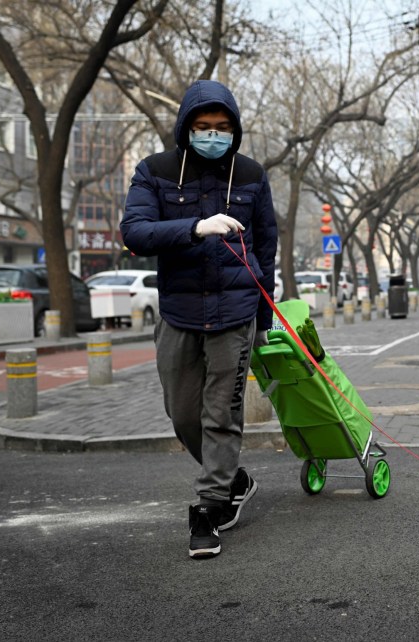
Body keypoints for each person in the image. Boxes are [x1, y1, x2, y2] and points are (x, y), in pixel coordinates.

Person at [121, 80, 278, 559]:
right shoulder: (156, 171)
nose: (213, 134)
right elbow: (136, 232)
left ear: (236, 129)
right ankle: (234, 479)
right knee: (183, 413)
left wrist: (264, 311)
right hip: (179, 312)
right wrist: (195, 227)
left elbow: (266, 244)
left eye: (223, 127)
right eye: (204, 126)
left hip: (235, 315)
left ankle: (209, 509)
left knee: (221, 414)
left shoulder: (251, 174)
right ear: (186, 126)